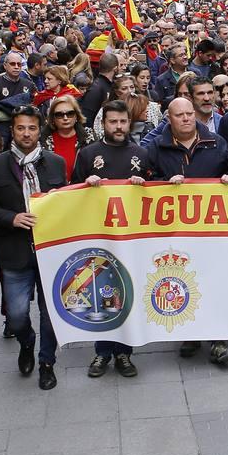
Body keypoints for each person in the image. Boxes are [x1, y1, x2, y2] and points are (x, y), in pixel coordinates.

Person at [147, 97, 228, 368]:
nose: (187, 118)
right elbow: (144, 179)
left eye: (190, 113)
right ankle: (189, 334)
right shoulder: (156, 146)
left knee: (214, 283)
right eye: (180, 115)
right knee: (182, 281)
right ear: (169, 118)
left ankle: (218, 341)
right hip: (175, 232)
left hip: (213, 231)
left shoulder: (215, 141)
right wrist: (163, 185)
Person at [0, 106, 67, 390]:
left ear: (39, 129)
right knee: (16, 315)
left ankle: (46, 362)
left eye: (31, 128)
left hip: (50, 252)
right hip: (14, 252)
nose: (26, 133)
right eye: (21, 128)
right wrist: (12, 218)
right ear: (12, 131)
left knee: (49, 312)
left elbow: (66, 203)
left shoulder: (55, 163)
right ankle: (26, 342)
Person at [72, 101, 154, 379]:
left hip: (132, 239)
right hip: (99, 236)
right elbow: (69, 193)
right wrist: (86, 185)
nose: (118, 127)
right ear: (103, 124)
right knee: (101, 294)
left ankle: (124, 352)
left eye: (123, 122)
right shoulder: (88, 154)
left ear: (129, 123)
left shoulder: (141, 154)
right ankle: (102, 351)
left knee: (127, 294)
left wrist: (144, 186)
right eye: (113, 122)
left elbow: (159, 191)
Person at [43, 97, 95, 182]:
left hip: (82, 190)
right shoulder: (42, 140)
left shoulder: (89, 138)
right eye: (59, 115)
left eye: (70, 113)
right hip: (53, 192)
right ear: (53, 118)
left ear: (77, 116)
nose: (65, 118)